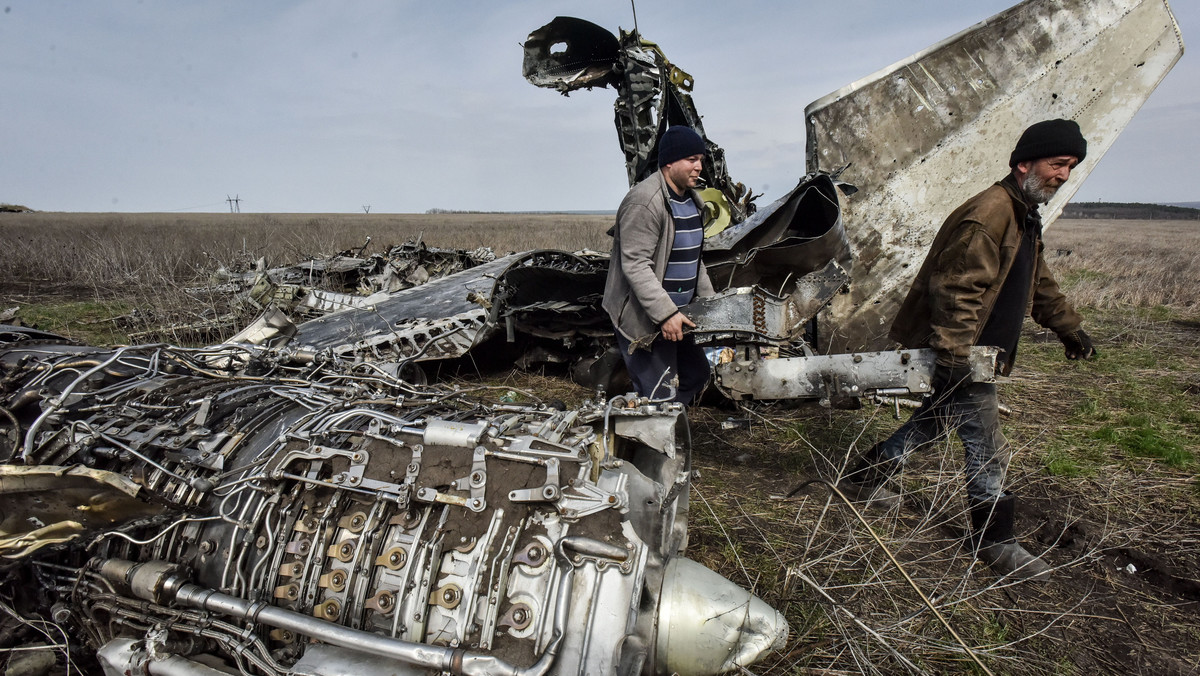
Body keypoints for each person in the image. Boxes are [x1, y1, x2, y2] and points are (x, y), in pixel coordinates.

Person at [842, 119, 1098, 579]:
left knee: (934, 422)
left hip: (976, 351)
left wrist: (1068, 328)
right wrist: (957, 358)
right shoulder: (990, 214)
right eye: (1057, 164)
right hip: (964, 351)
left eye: (1070, 167)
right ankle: (995, 541)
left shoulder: (1022, 214)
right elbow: (956, 290)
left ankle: (864, 477)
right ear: (1024, 163)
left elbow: (1036, 280)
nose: (1063, 174)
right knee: (988, 445)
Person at [602, 125, 715, 404]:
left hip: (680, 314)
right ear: (669, 162)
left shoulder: (691, 201)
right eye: (691, 160)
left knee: (697, 374)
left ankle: (666, 424)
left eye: (700, 159)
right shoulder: (645, 202)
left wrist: (712, 305)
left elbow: (693, 258)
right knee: (659, 394)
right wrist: (665, 315)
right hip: (645, 319)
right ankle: (652, 439)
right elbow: (636, 265)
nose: (699, 167)